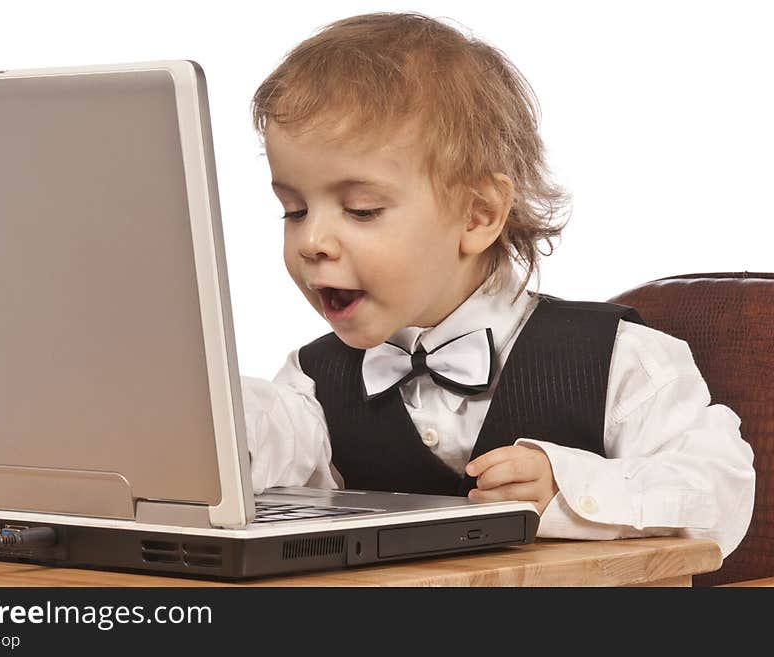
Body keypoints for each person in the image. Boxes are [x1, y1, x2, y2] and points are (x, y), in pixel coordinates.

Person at [239, 12, 755, 558]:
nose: (312, 240)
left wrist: (573, 489)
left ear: (478, 215)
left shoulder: (620, 359)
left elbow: (719, 492)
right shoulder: (311, 383)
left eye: (361, 210)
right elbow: (259, 443)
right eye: (293, 210)